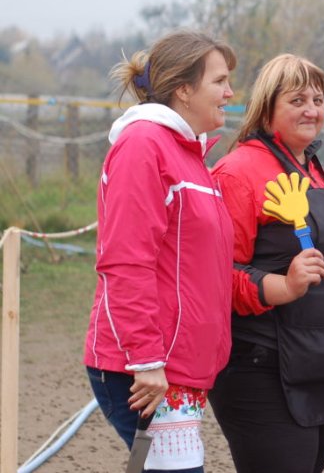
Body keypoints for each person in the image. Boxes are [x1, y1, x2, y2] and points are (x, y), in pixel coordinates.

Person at [208, 53, 324, 473]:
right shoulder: (237, 173)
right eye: (297, 100)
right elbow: (216, 275)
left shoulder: (313, 167)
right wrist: (283, 284)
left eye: (318, 100)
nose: (311, 110)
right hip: (265, 368)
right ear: (267, 109)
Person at [83, 30, 237, 473]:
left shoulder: (190, 157)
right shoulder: (143, 146)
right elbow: (126, 260)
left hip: (179, 367)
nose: (230, 93)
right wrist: (146, 360)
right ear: (184, 89)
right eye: (219, 81)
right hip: (147, 371)